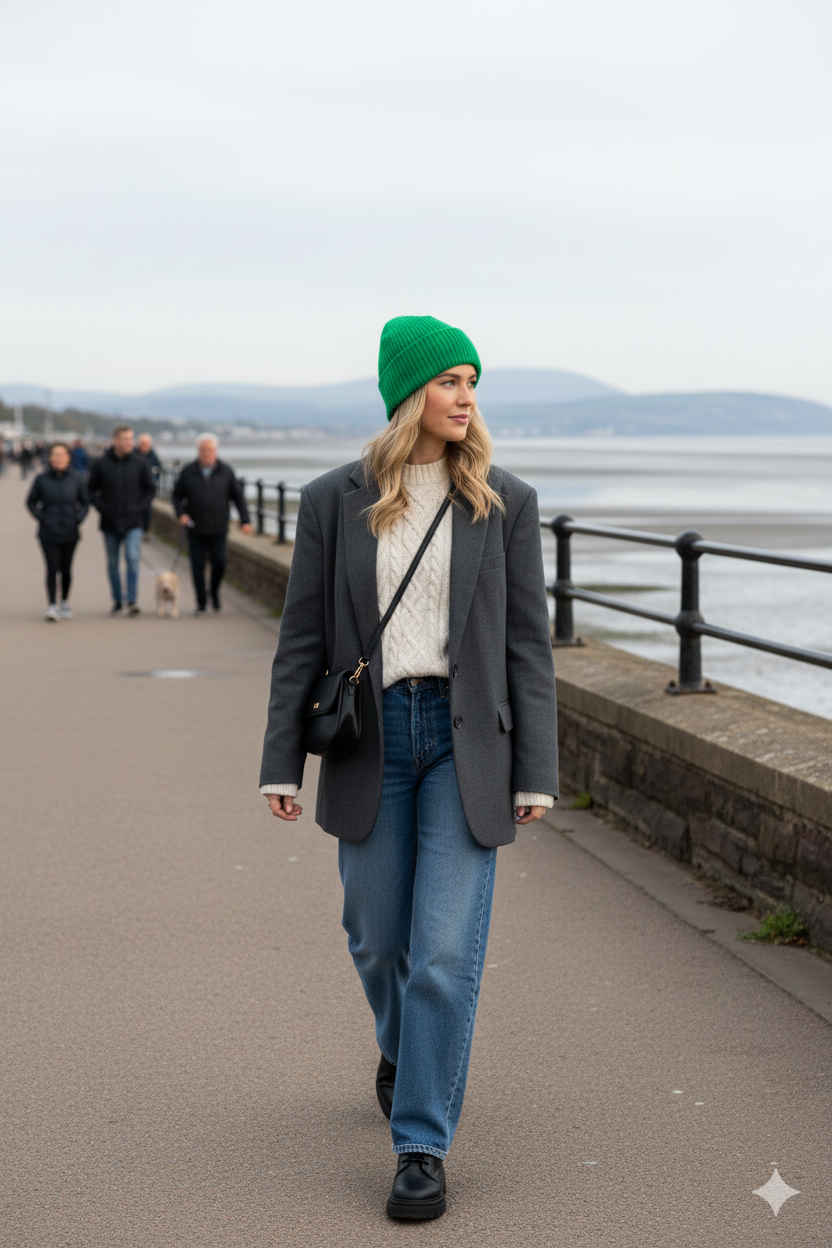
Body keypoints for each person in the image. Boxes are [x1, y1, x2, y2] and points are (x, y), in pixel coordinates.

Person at [258, 316, 559, 1221]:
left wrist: (535, 768)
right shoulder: (331, 500)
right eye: (450, 382)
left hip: (467, 744)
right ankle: (404, 1047)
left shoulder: (504, 499)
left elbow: (529, 649)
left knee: (439, 955)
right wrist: (281, 760)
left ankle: (420, 1143)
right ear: (408, 395)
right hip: (372, 737)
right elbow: (301, 640)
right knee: (376, 939)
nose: (467, 398)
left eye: (473, 382)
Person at [171, 434, 252, 615]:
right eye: (203, 450)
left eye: (210, 450)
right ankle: (201, 602)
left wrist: (245, 520)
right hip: (195, 528)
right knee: (197, 566)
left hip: (219, 527)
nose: (207, 453)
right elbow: (176, 495)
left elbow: (238, 497)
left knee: (219, 563)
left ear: (215, 451)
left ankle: (214, 592)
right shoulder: (188, 471)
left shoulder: (226, 471)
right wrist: (180, 514)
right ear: (198, 451)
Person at [88, 424, 155, 616]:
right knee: (112, 562)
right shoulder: (101, 464)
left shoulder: (140, 463)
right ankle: (117, 599)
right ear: (115, 441)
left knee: (133, 558)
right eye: (125, 439)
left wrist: (140, 508)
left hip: (133, 521)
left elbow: (150, 489)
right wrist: (102, 508)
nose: (129, 443)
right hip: (109, 521)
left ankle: (132, 599)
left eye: (131, 439)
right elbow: (91, 489)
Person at [25, 441, 89, 620]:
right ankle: (52, 604)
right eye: (55, 455)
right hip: (48, 532)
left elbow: (85, 502)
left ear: (69, 458)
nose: (58, 458)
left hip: (70, 531)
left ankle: (65, 602)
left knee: (66, 569)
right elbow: (30, 501)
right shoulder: (42, 479)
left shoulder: (77, 479)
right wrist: (41, 517)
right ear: (50, 458)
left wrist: (78, 518)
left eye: (62, 455)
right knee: (52, 568)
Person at [136, 433, 162, 539]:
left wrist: (154, 481)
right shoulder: (134, 455)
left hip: (148, 489)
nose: (144, 446)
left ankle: (145, 530)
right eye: (142, 444)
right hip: (135, 488)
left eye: (146, 444)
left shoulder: (154, 457)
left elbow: (158, 470)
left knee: (147, 510)